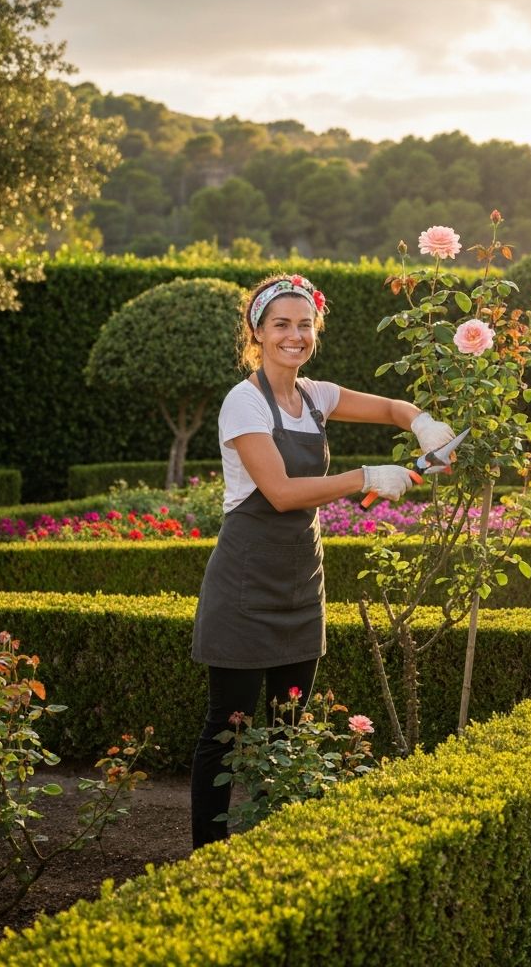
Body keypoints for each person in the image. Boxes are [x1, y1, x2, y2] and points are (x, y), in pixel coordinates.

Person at [190, 272, 454, 848]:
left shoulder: (315, 396)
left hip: (300, 583)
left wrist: (421, 421)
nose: (294, 335)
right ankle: (206, 856)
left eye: (304, 325)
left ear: (316, 331)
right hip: (245, 584)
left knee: (289, 728)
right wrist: (364, 476)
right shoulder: (244, 402)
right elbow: (281, 492)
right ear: (257, 332)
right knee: (226, 731)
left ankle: (276, 846)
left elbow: (390, 406)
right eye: (281, 324)